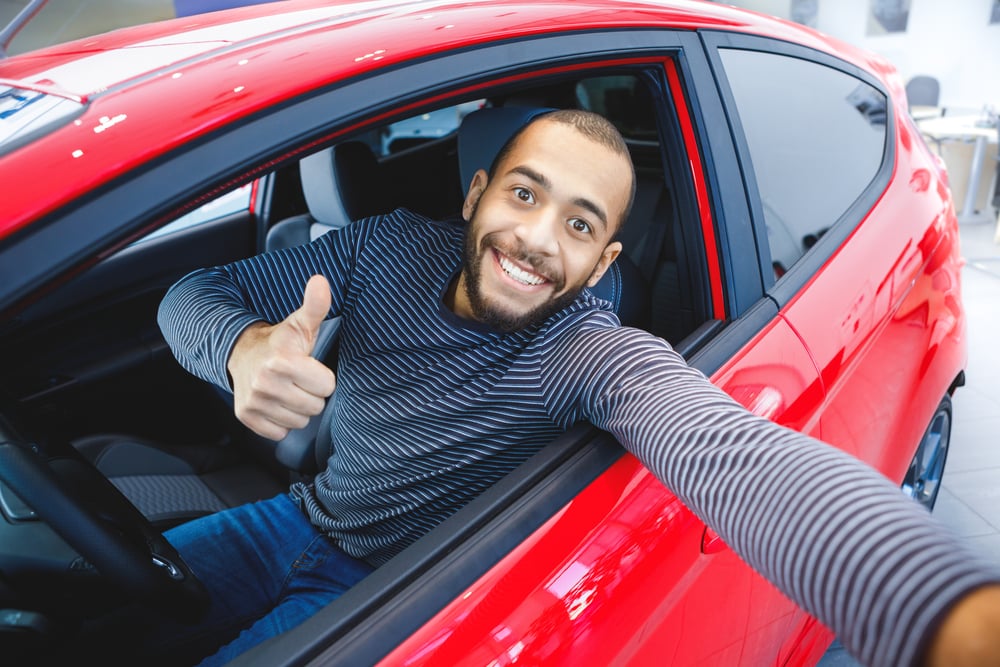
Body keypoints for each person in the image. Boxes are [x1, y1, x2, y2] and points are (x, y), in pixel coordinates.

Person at [155, 108, 1000, 666]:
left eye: (580, 224)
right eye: (525, 194)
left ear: (602, 265)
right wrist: (241, 349)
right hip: (294, 517)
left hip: (381, 593)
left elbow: (735, 456)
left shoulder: (591, 353)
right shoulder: (383, 248)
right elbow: (189, 293)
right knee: (85, 595)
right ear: (477, 194)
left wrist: (943, 611)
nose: (535, 240)